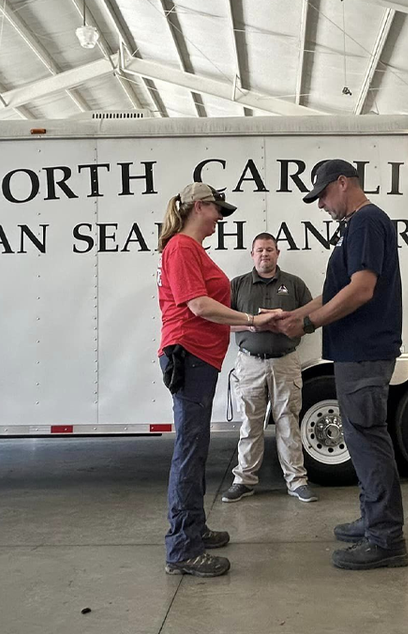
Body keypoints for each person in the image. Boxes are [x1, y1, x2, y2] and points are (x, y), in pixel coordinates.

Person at [277, 159, 408, 570]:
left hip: (365, 351)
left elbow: (361, 290)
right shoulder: (355, 226)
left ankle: (386, 540)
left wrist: (310, 322)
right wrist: (296, 316)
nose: (320, 206)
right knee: (359, 440)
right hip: (355, 352)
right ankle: (373, 519)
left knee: (368, 442)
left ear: (342, 183)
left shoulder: (368, 221)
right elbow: (336, 291)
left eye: (322, 196)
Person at [156, 182, 283, 578]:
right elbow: (197, 305)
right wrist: (251, 319)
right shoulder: (181, 247)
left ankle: (193, 529)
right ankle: (181, 548)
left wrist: (252, 316)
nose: (219, 218)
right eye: (216, 210)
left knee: (197, 448)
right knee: (190, 453)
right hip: (189, 355)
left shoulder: (191, 249)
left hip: (199, 357)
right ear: (198, 207)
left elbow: (207, 304)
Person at [222, 233, 317, 504]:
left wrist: (287, 323)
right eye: (260, 250)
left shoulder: (294, 285)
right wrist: (252, 324)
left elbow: (310, 318)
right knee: (250, 424)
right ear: (252, 254)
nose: (265, 254)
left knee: (288, 421)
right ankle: (244, 480)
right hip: (249, 362)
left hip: (285, 361)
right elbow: (220, 322)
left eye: (270, 250)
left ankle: (297, 481)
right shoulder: (237, 285)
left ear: (278, 253)